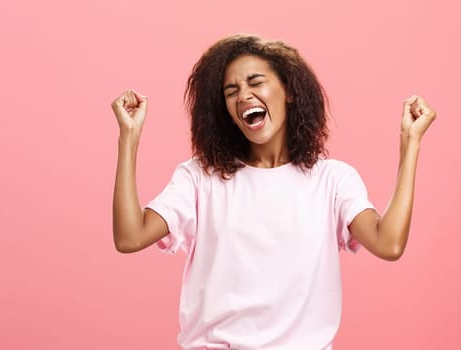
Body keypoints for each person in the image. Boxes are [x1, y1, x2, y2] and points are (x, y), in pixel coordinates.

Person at [111, 34, 436, 350]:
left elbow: (388, 242)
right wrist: (129, 136)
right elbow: (130, 236)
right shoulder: (200, 178)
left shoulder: (332, 180)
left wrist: (410, 145)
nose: (243, 96)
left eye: (256, 82)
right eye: (231, 91)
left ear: (289, 91)